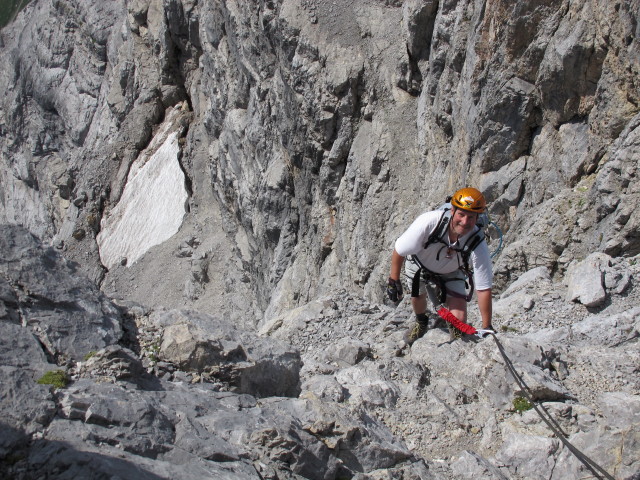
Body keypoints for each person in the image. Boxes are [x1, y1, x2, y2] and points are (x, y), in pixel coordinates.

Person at [387, 187, 495, 344]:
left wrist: (487, 326)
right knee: (418, 296)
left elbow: (484, 287)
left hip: (451, 270)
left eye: (471, 217)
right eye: (461, 214)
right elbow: (400, 250)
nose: (465, 222)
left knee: (460, 320)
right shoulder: (430, 222)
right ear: (452, 211)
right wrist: (393, 280)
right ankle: (421, 322)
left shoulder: (477, 241)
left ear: (478, 218)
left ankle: (455, 336)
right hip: (419, 264)